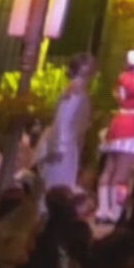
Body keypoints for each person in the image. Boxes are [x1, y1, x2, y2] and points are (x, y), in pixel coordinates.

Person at [41, 53, 94, 191]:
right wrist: (60, 145)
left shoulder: (79, 88)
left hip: (69, 142)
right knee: (59, 183)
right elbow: (64, 117)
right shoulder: (76, 88)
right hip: (65, 144)